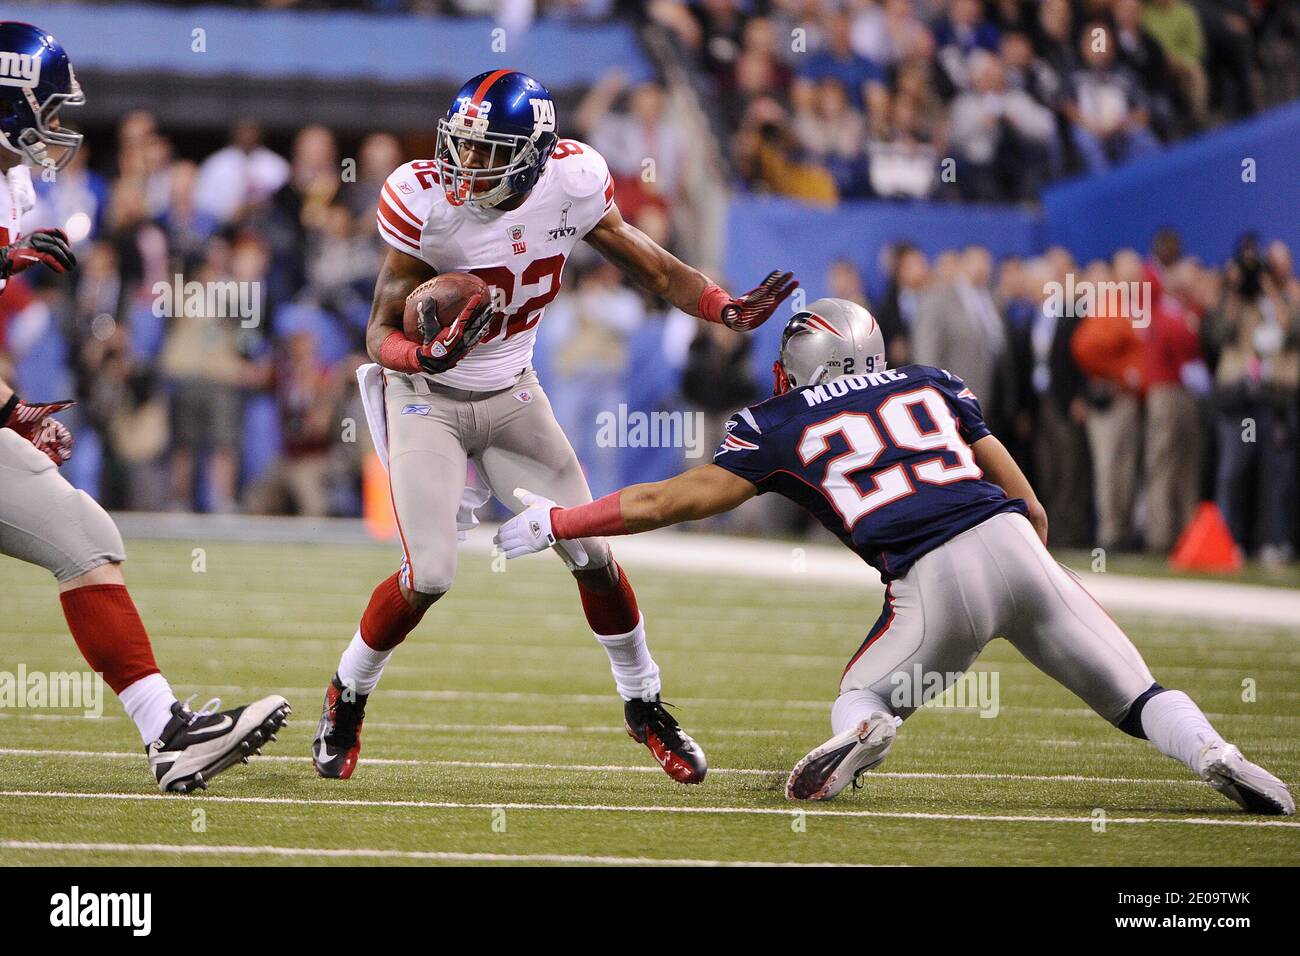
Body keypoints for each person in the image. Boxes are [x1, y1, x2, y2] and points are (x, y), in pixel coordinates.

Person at [496, 298, 1293, 816]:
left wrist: (565, 520)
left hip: (931, 578)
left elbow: (670, 500)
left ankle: (868, 730)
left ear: (805, 362)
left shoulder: (779, 420)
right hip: (1015, 544)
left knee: (861, 690)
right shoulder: (930, 383)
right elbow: (1028, 498)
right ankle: (1216, 754)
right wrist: (1026, 568)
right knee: (1140, 694)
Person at [310, 69, 796, 785]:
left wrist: (721, 306)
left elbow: (657, 271)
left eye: (487, 152)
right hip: (426, 396)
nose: (466, 166)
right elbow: (377, 327)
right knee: (431, 574)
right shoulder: (425, 202)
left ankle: (645, 702)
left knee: (594, 553)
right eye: (462, 147)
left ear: (535, 153)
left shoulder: (573, 184)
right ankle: (347, 694)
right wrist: (422, 353)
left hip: (513, 394)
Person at [0, 21, 289, 793]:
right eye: (46, 109)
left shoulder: (13, 185)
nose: (56, 128)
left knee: (84, 533)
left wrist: (11, 411)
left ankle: (167, 731)